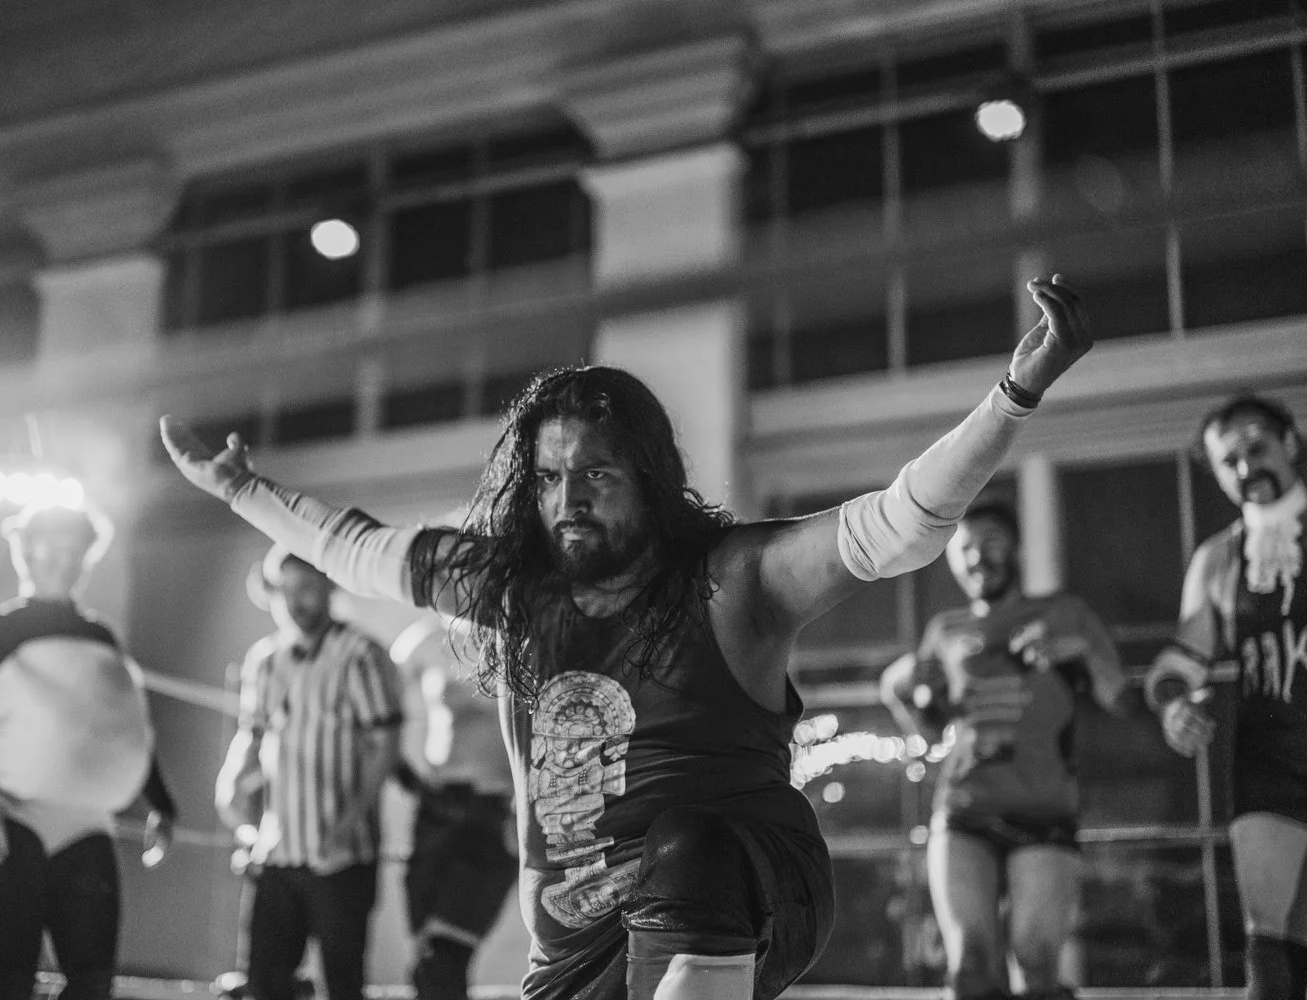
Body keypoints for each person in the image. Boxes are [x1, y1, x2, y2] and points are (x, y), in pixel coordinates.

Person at [162, 276, 1093, 1000]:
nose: (570, 500)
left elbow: (901, 524)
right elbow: (358, 551)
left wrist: (1015, 393)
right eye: (551, 477)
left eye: (598, 474)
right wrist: (242, 491)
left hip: (745, 883)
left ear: (648, 478)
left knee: (685, 845)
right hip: (576, 948)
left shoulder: (730, 582)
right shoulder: (512, 590)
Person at [880, 501, 1133, 1000]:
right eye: (965, 550)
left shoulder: (1064, 613)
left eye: (990, 543)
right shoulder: (946, 629)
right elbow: (908, 701)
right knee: (969, 969)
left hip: (1044, 808)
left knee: (1036, 966)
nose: (978, 558)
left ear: (1016, 547)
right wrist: (904, 703)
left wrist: (1076, 651)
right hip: (962, 809)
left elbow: (1120, 698)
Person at [0, 503, 177, 1000]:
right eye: (49, 548)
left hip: (85, 825)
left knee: (93, 982)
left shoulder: (101, 637)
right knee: (12, 978)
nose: (61, 560)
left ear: (87, 557)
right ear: (24, 553)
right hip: (7, 818)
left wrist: (162, 804)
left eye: (73, 550)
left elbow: (123, 729)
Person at [1144, 392, 1306, 1000]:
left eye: (1256, 448)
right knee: (1270, 951)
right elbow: (1181, 659)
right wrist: (1173, 705)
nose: (1245, 469)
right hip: (1269, 761)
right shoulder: (1217, 559)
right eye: (1227, 461)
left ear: (1289, 443)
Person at [214, 544, 403, 1000]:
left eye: (308, 589)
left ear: (328, 588)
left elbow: (385, 745)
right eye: (286, 591)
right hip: (277, 852)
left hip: (343, 854)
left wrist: (347, 823)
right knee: (264, 982)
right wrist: (230, 790)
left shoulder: (360, 653)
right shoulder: (264, 658)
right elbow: (252, 735)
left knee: (341, 982)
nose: (296, 602)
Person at [390, 616, 519, 1000]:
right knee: (428, 957)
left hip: (497, 811)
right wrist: (401, 770)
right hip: (438, 808)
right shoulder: (426, 638)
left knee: (444, 956)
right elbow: (378, 696)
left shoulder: (521, 638)